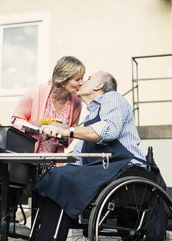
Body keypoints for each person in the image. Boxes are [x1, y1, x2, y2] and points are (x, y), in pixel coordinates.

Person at [32, 71, 148, 241]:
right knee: (52, 177)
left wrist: (65, 131)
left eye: (88, 78)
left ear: (98, 85)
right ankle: (44, 235)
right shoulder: (90, 118)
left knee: (61, 177)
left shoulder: (112, 98)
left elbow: (109, 131)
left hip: (125, 168)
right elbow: (79, 155)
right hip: (105, 169)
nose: (81, 82)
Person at [11, 56, 85, 153]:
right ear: (64, 79)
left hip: (54, 162)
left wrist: (61, 134)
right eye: (77, 79)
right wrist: (38, 130)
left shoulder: (76, 102)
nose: (81, 83)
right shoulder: (36, 92)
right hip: (29, 157)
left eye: (82, 79)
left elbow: (72, 132)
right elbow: (15, 121)